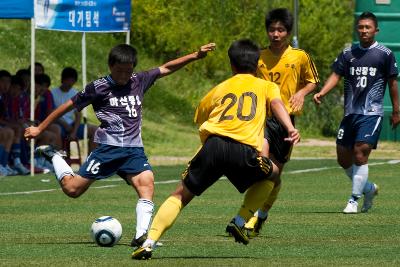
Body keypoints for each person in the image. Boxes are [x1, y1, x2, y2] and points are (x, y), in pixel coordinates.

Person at [24, 42, 216, 248]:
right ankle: (54, 156)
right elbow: (66, 106)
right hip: (107, 150)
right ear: (110, 66)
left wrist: (195, 56)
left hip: (134, 151)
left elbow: (166, 68)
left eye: (128, 70)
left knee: (147, 183)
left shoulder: (139, 80)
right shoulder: (98, 87)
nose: (124, 75)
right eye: (119, 71)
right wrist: (40, 129)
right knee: (72, 189)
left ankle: (141, 236)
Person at [131, 39, 300, 260]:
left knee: (180, 195)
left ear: (232, 65)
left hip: (213, 147)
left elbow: (200, 115)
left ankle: (149, 243)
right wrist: (289, 127)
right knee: (273, 176)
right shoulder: (266, 86)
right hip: (244, 150)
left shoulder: (220, 88)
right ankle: (240, 221)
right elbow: (277, 104)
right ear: (258, 64)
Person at [232, 8, 319, 237]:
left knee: (274, 175)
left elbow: (312, 82)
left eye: (281, 30)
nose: (276, 34)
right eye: (272, 29)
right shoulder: (258, 56)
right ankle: (247, 216)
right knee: (261, 165)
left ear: (288, 32)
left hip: (284, 122)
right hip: (261, 118)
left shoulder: (300, 56)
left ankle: (261, 215)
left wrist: (301, 94)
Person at [313, 12, 399, 213]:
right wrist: (322, 92)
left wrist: (397, 111)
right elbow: (336, 75)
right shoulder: (348, 52)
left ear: (375, 29)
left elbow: (393, 84)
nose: (364, 31)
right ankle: (368, 188)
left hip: (372, 113)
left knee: (360, 153)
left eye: (368, 27)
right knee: (343, 158)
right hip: (350, 114)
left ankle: (353, 199)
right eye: (360, 27)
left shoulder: (385, 54)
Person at [51, 67, 97, 153]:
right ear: (62, 80)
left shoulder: (74, 93)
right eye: (68, 80)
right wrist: (65, 125)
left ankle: (90, 161)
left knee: (95, 130)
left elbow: (78, 114)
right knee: (56, 129)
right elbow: (52, 114)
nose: (70, 83)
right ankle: (58, 160)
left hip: (72, 125)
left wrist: (74, 131)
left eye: (72, 81)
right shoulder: (52, 93)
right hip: (59, 125)